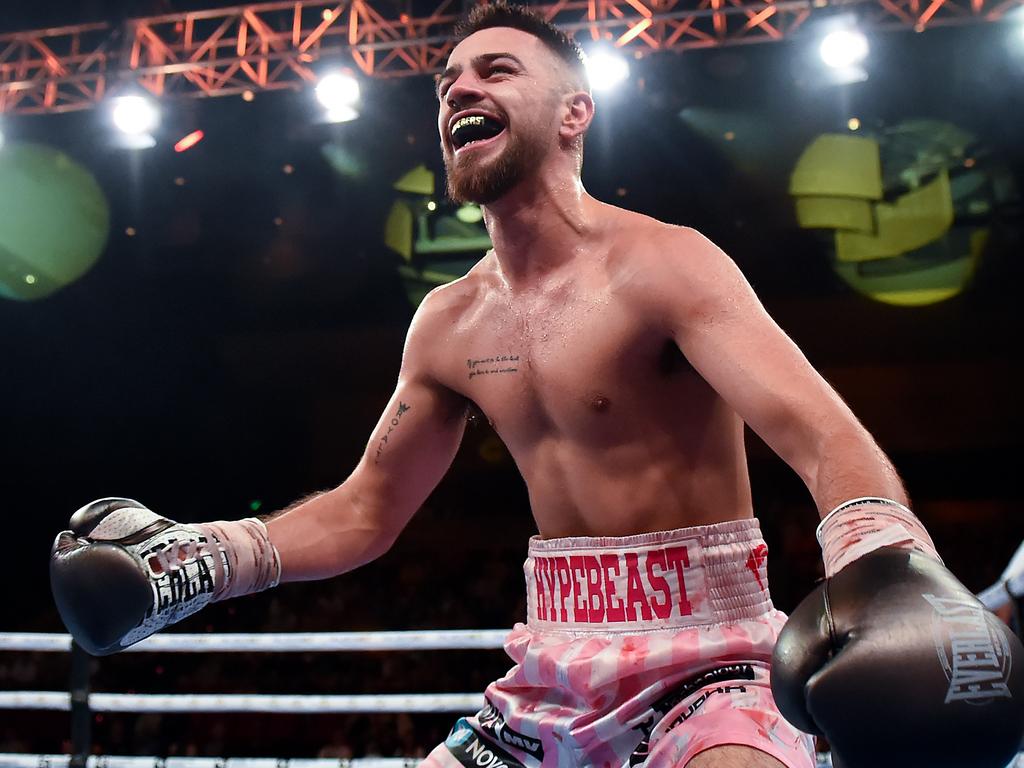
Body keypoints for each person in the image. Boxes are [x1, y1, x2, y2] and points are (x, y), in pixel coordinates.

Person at [50, 4, 1023, 768]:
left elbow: (818, 431)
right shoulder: (447, 321)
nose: (458, 87)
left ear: (573, 113)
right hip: (549, 669)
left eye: (495, 68)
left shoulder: (666, 265)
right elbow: (364, 512)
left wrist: (884, 556)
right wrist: (207, 557)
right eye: (447, 81)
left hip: (712, 658)